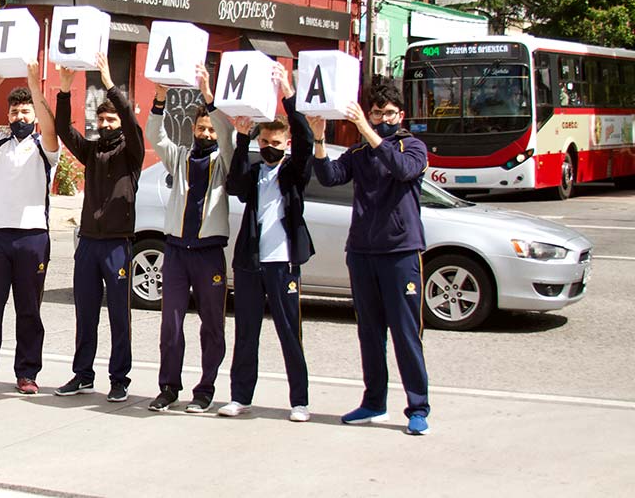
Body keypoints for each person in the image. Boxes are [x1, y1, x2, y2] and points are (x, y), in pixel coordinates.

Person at [310, 82, 432, 436]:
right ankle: (374, 402)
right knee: (369, 332)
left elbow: (402, 170)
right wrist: (319, 141)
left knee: (406, 333)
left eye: (387, 113)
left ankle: (418, 407)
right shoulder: (360, 151)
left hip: (400, 251)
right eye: (375, 113)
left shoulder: (414, 147)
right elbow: (329, 176)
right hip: (362, 251)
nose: (381, 119)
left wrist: (367, 130)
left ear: (400, 115)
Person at [0, 64, 60, 396]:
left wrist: (34, 87)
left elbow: (49, 126)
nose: (19, 116)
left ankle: (27, 373)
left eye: (25, 111)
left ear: (33, 115)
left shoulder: (45, 147)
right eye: (14, 111)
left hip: (32, 236)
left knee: (29, 309)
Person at [222, 63, 314, 422]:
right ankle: (240, 396)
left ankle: (300, 401)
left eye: (276, 144)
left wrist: (287, 95)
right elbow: (234, 186)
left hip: (284, 262)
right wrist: (243, 138)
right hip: (250, 262)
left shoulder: (293, 172)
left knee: (290, 332)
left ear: (285, 144)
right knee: (246, 330)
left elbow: (306, 142)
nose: (270, 149)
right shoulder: (255, 172)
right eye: (265, 144)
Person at [53, 53, 144, 403]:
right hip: (88, 243)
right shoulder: (91, 152)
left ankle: (119, 379)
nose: (106, 124)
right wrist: (63, 90)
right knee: (85, 313)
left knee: (119, 315)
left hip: (118, 244)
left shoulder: (131, 152)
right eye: (101, 119)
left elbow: (133, 126)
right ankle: (82, 375)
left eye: (111, 119)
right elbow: (64, 131)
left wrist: (107, 81)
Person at [146, 66, 234, 414]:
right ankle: (168, 386)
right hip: (176, 253)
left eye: (210, 128)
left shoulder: (223, 161)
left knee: (212, 324)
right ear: (193, 130)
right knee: (171, 322)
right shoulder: (180, 157)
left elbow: (228, 137)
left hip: (209, 253)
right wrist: (159, 99)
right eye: (201, 128)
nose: (207, 133)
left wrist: (210, 99)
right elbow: (157, 136)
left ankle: (206, 388)